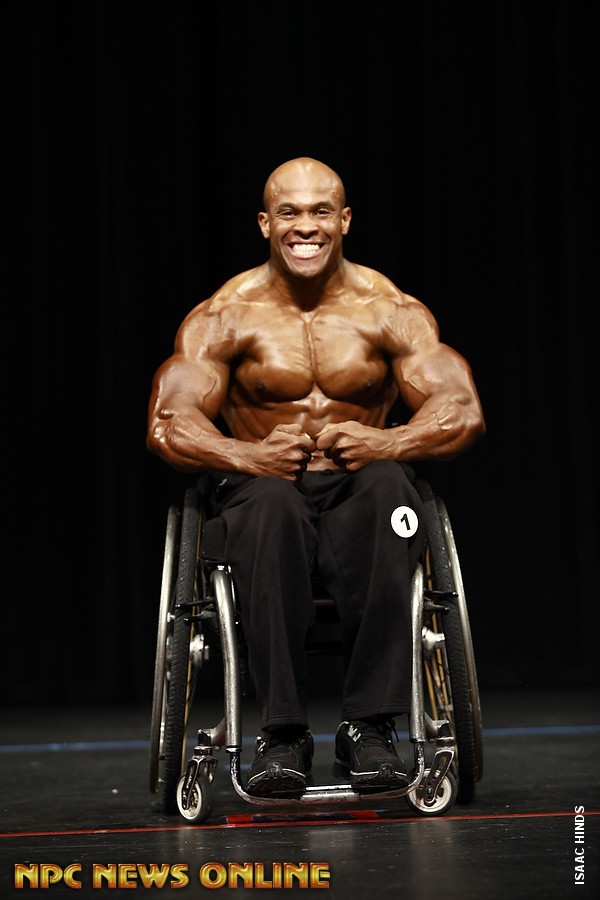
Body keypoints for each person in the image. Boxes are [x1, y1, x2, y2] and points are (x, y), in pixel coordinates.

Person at [146, 157, 485, 798]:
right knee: (271, 505)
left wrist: (390, 440)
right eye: (290, 212)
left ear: (345, 220)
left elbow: (461, 410)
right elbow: (169, 423)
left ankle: (370, 727)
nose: (306, 226)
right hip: (262, 486)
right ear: (265, 223)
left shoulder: (389, 311)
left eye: (321, 211)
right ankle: (282, 733)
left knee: (391, 488)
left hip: (360, 485)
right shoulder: (226, 315)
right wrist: (247, 456)